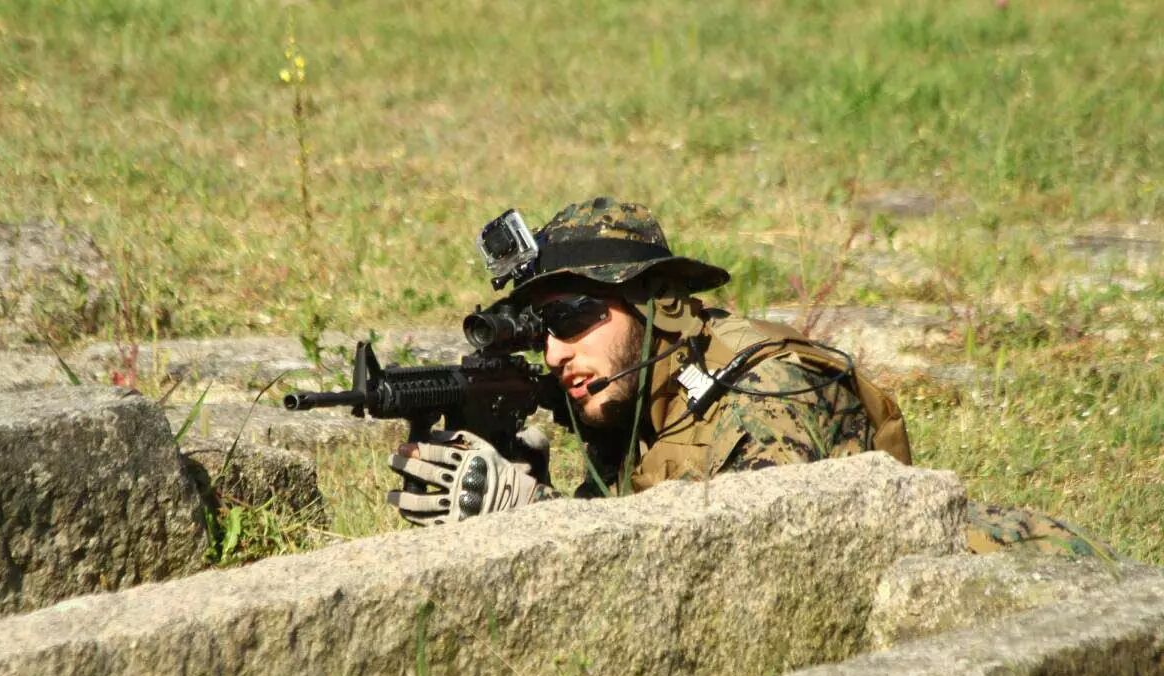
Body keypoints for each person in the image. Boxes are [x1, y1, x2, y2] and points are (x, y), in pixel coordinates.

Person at [386, 197, 1107, 557]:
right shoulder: (636, 403)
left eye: (573, 318)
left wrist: (545, 523)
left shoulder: (769, 392)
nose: (552, 355)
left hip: (1031, 575)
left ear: (657, 305)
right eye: (542, 332)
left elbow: (755, 567)